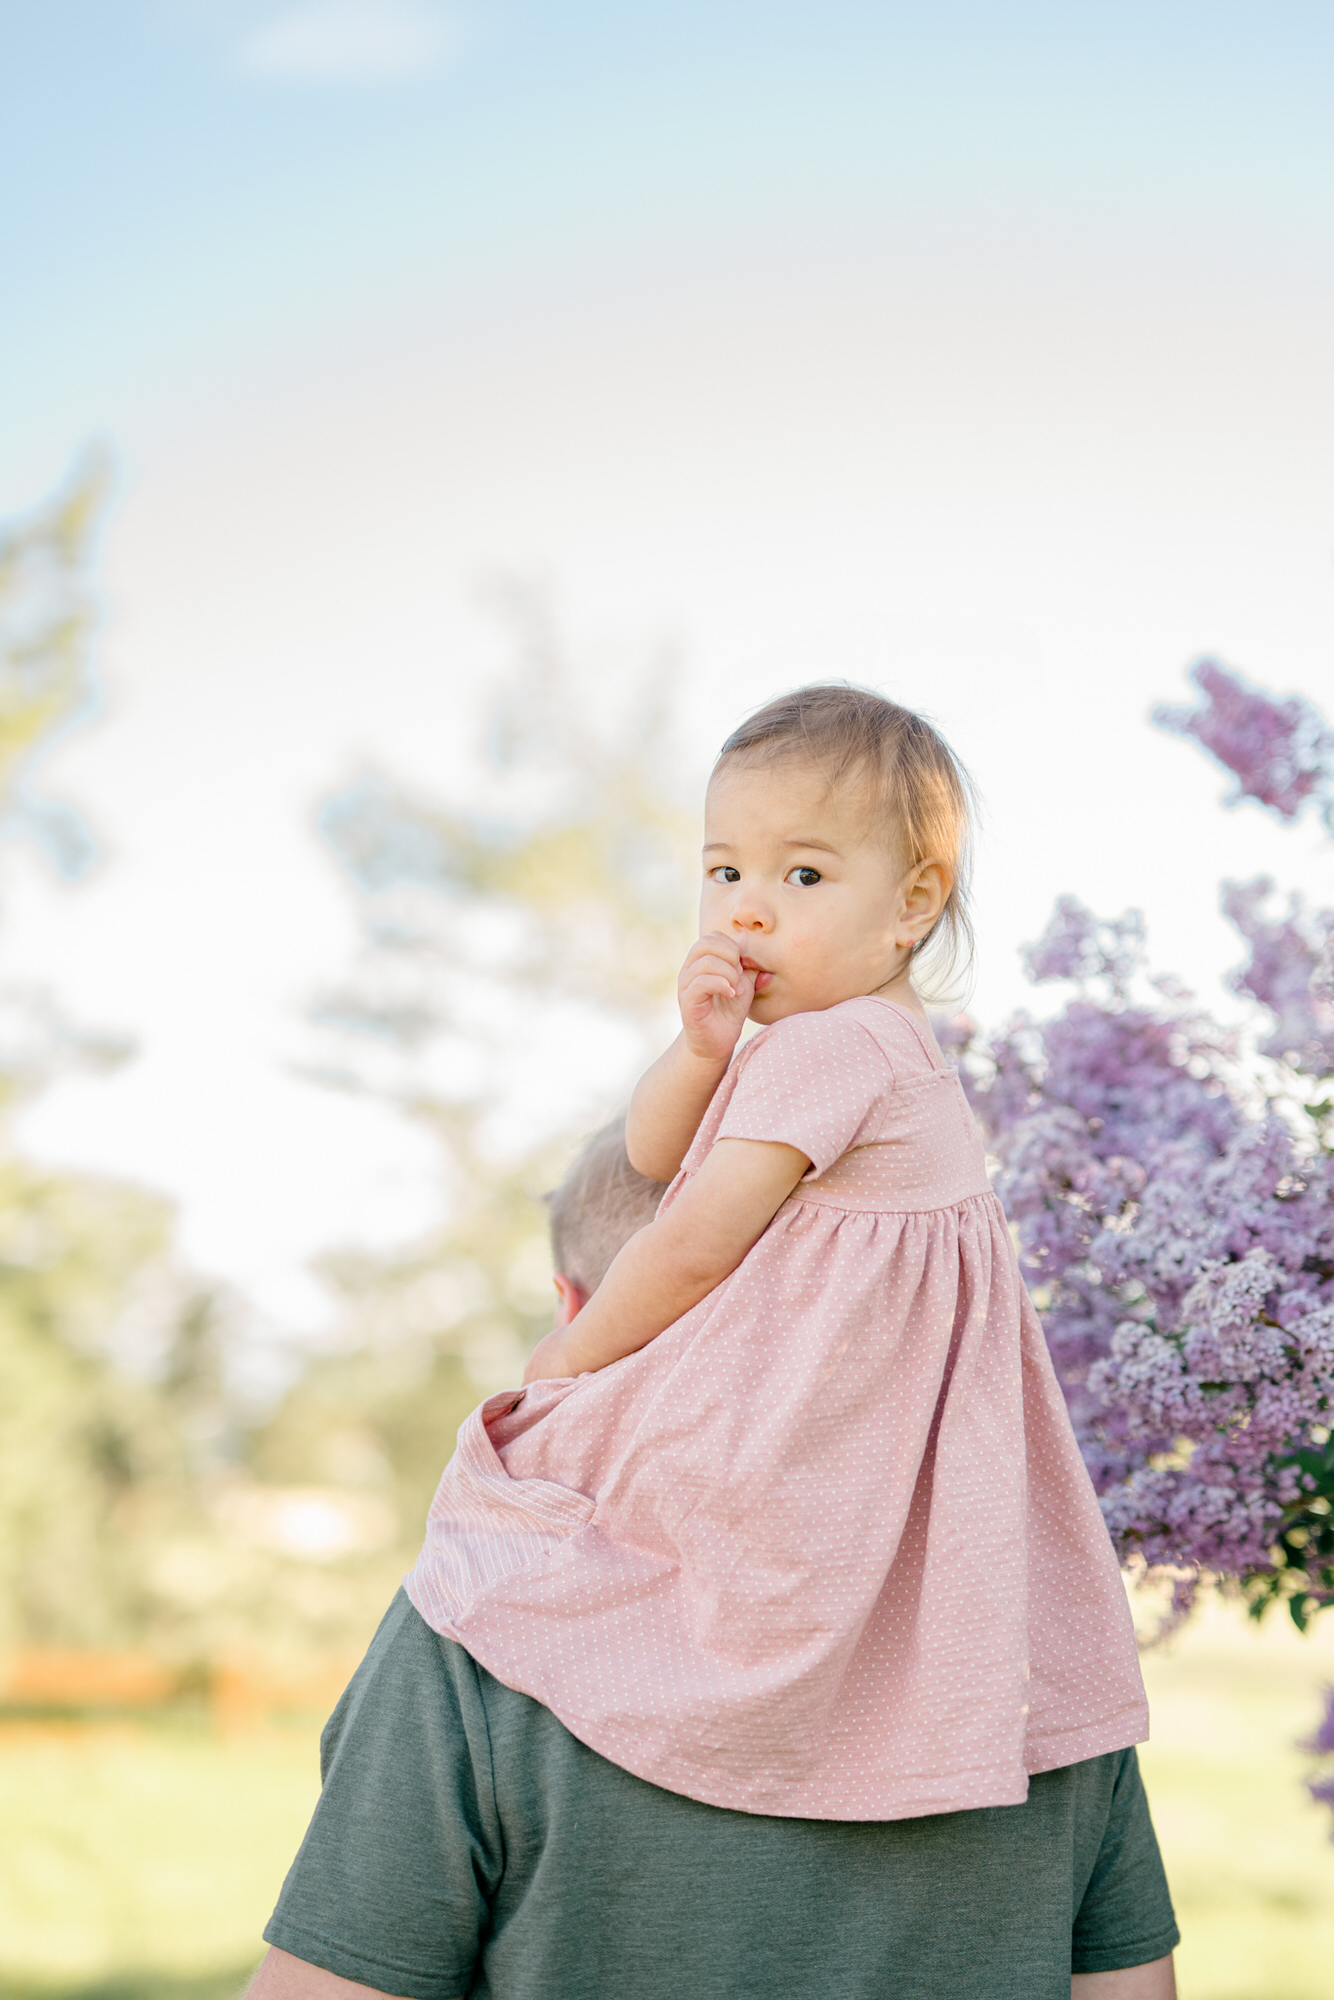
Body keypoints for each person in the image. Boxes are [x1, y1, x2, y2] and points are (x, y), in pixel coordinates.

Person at [254, 684, 1179, 1997]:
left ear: (912, 905)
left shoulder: (847, 1042)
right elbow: (655, 1158)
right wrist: (697, 1050)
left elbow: (683, 1243)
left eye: (801, 873)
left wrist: (571, 1371)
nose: (746, 905)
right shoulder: (1031, 1674)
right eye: (722, 870)